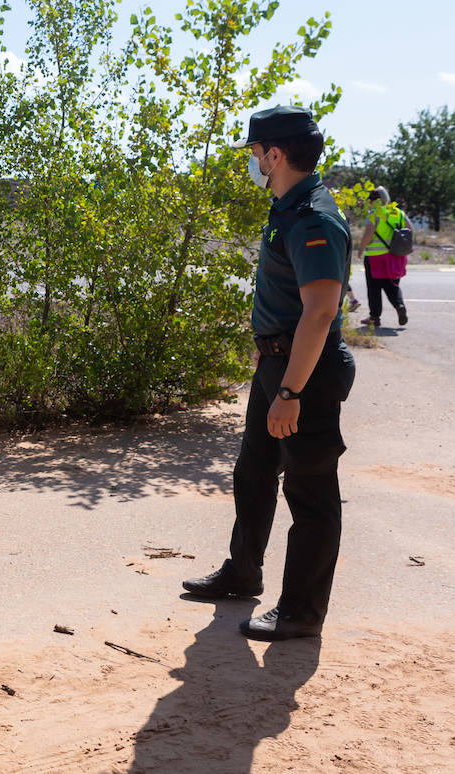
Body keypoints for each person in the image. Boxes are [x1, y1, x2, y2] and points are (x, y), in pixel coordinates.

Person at [183, 106, 356, 641]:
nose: (254, 162)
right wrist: (268, 352)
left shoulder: (314, 219)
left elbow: (322, 312)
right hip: (279, 363)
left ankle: (302, 611)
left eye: (256, 154)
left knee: (310, 492)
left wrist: (290, 390)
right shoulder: (289, 207)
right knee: (254, 470)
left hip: (304, 375)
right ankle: (243, 571)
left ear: (275, 155)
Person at [358, 186, 410, 328]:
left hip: (376, 257)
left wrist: (361, 248)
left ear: (375, 201)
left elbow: (369, 232)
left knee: (374, 288)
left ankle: (374, 317)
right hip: (396, 256)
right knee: (392, 285)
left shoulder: (375, 213)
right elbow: (410, 230)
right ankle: (399, 305)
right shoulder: (397, 212)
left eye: (371, 200)